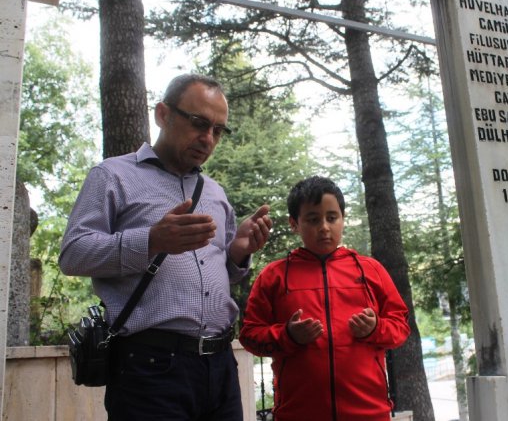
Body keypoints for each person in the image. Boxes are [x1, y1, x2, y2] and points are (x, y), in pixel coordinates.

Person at [59, 73, 272, 421]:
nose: (208, 139)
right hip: (149, 368)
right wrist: (151, 241)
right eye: (199, 123)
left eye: (218, 130)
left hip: (220, 365)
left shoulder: (215, 193)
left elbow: (222, 274)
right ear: (163, 114)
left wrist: (237, 252)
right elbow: (73, 254)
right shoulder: (112, 176)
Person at [239, 175, 410, 421]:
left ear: (342, 219)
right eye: (312, 219)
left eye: (332, 218)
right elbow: (250, 336)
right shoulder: (273, 276)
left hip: (370, 414)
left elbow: (401, 327)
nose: (324, 227)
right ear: (294, 223)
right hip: (297, 414)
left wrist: (376, 328)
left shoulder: (371, 270)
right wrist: (288, 335)